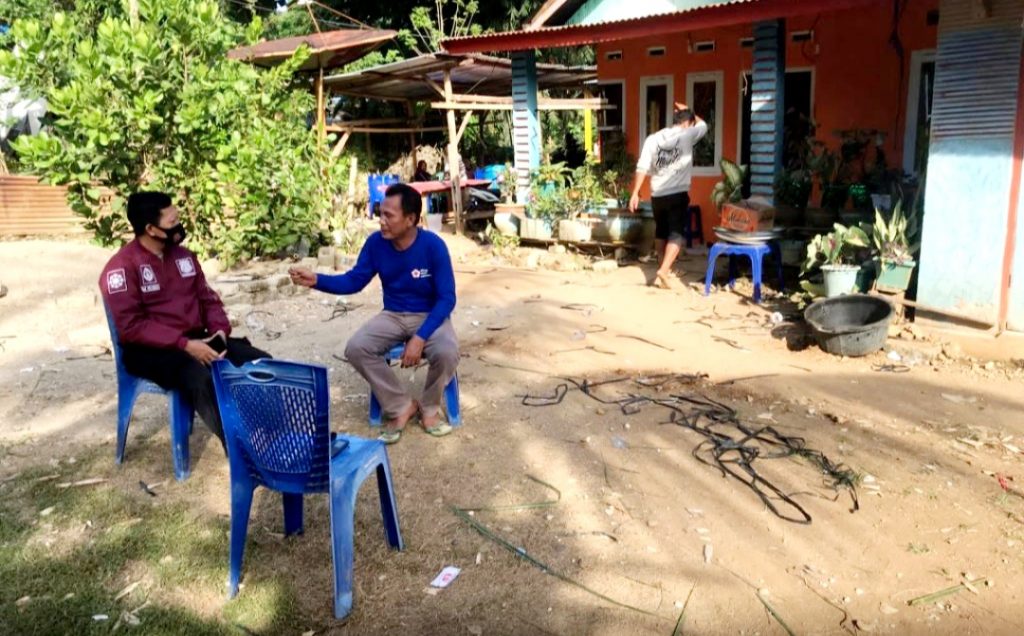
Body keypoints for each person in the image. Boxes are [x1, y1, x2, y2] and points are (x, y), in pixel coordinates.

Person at [289, 183, 458, 444]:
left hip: (430, 315)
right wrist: (316, 280)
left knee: (447, 352)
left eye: (389, 215)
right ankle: (401, 406)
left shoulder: (433, 246)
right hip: (393, 314)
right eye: (380, 213)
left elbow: (447, 298)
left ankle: (430, 408)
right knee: (356, 348)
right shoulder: (376, 244)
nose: (381, 221)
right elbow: (354, 281)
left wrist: (420, 337)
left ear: (411, 219)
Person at [99, 192, 271, 448]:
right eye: (172, 222)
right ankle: (243, 448)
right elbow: (131, 327)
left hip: (195, 338)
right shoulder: (121, 269)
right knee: (201, 377)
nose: (179, 225)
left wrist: (220, 332)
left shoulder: (184, 258)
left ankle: (274, 431)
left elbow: (208, 299)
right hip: (150, 350)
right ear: (151, 229)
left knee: (261, 363)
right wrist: (184, 345)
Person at [629, 102, 708, 289]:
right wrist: (689, 109)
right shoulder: (688, 134)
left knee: (661, 231)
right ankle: (663, 271)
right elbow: (703, 125)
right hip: (677, 193)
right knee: (676, 235)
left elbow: (642, 167)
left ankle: (662, 269)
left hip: (657, 195)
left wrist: (635, 192)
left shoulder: (652, 139)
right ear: (688, 123)